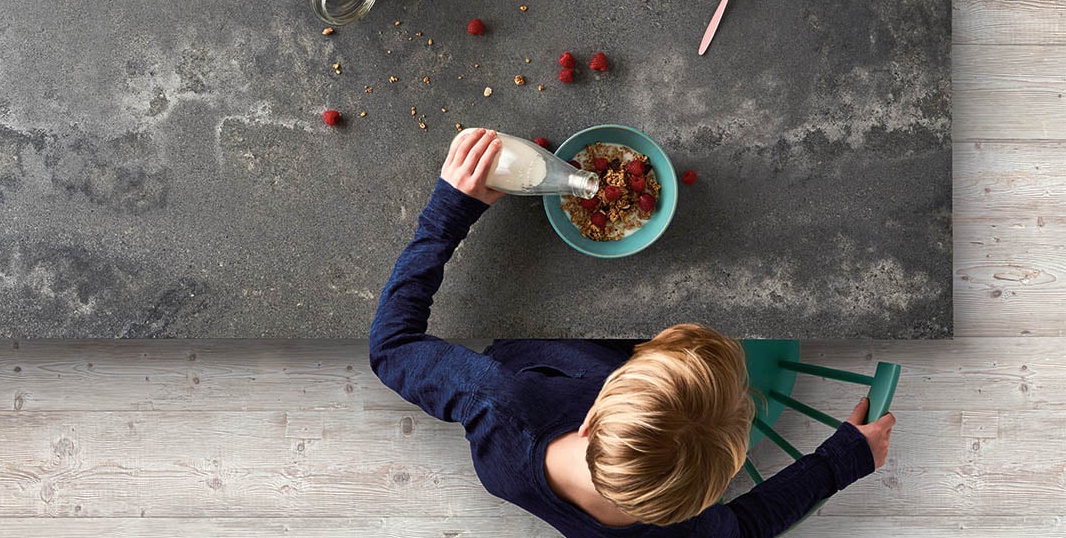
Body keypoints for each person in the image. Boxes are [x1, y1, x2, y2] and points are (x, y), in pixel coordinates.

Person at [369, 128, 897, 538]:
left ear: (593, 413)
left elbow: (391, 346)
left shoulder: (499, 402)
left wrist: (448, 212)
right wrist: (842, 460)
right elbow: (743, 529)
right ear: (693, 503)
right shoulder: (675, 528)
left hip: (538, 340)